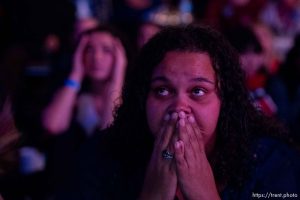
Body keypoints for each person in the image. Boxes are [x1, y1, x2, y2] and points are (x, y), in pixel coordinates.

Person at [56, 25, 300, 200]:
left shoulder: (271, 161)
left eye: (198, 91)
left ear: (224, 101)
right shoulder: (102, 157)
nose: (179, 107)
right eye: (162, 91)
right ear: (143, 99)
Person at [42, 25, 129, 136]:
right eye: (89, 49)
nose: (96, 57)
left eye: (106, 50)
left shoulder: (131, 97)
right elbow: (52, 126)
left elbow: (111, 136)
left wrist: (117, 77)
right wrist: (76, 74)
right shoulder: (75, 94)